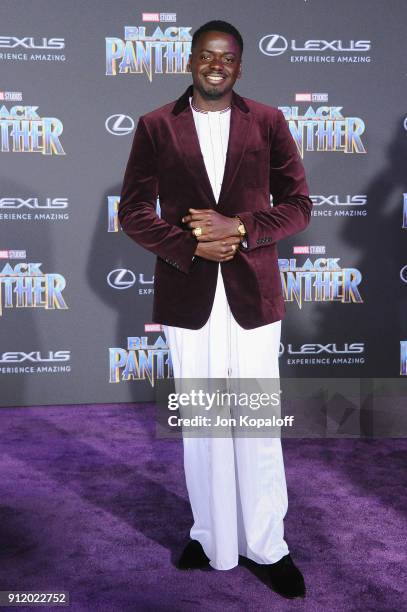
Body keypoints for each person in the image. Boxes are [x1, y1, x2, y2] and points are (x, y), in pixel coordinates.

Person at [119, 20, 312, 599]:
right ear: (190, 61)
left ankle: (266, 545)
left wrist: (244, 227)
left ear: (240, 66)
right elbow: (133, 211)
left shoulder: (270, 121)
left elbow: (300, 204)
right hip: (188, 294)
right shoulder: (156, 125)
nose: (216, 65)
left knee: (253, 422)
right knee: (204, 420)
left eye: (227, 57)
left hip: (254, 293)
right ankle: (212, 536)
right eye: (206, 55)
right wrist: (190, 244)